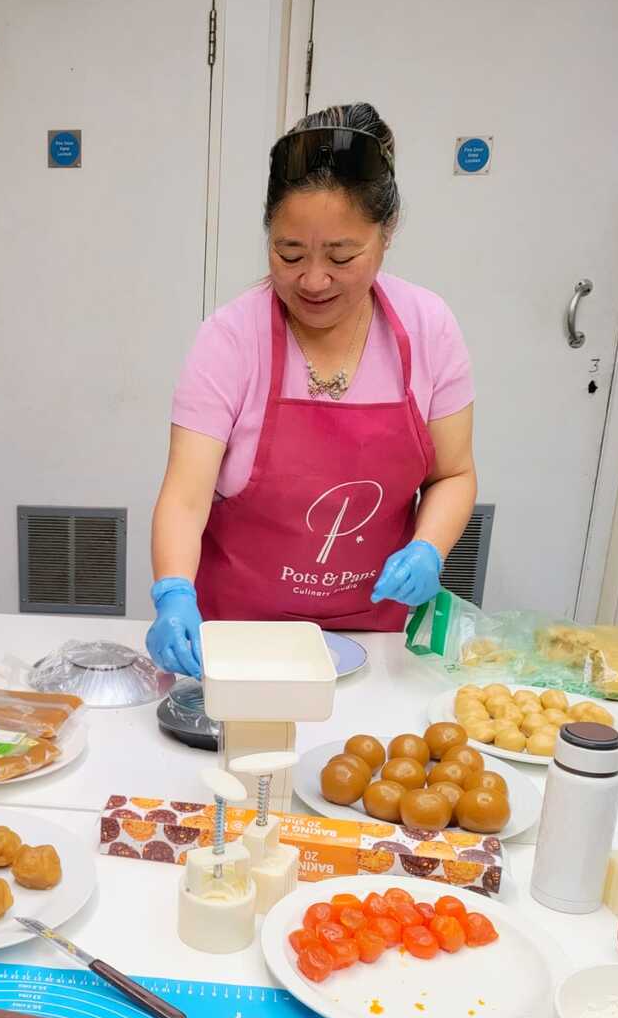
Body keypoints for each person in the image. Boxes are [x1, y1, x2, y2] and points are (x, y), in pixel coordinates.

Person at [147, 103, 476, 678]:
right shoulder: (231, 339)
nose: (314, 280)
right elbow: (185, 496)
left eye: (342, 256)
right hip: (238, 640)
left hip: (376, 641)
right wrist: (174, 593)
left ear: (387, 232)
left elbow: (452, 473)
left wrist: (430, 548)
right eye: (289, 253)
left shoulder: (429, 327)